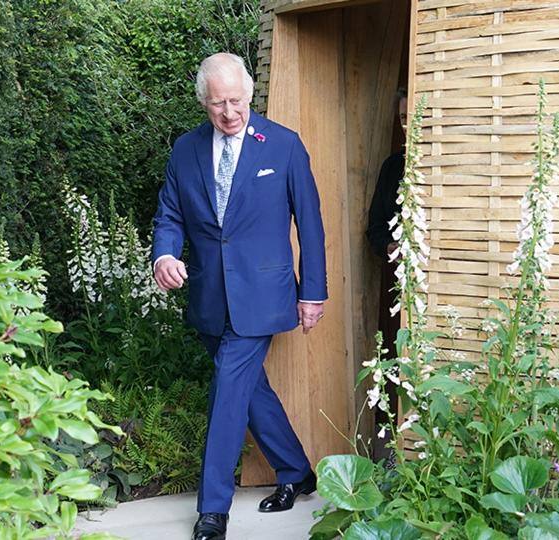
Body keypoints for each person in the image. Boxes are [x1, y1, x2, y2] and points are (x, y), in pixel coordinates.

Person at [152, 52, 328, 540]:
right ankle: (297, 471)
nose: (229, 114)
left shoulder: (284, 146)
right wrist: (163, 256)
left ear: (249, 94)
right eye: (217, 105)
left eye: (236, 102)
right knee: (251, 389)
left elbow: (309, 226)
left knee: (229, 392)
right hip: (209, 294)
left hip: (263, 295)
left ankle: (213, 510)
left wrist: (312, 292)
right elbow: (169, 215)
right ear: (203, 103)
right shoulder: (185, 151)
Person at [365, 89, 407, 466]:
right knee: (397, 358)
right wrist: (389, 247)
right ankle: (396, 453)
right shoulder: (393, 167)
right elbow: (375, 228)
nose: (410, 126)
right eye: (404, 119)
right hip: (401, 283)